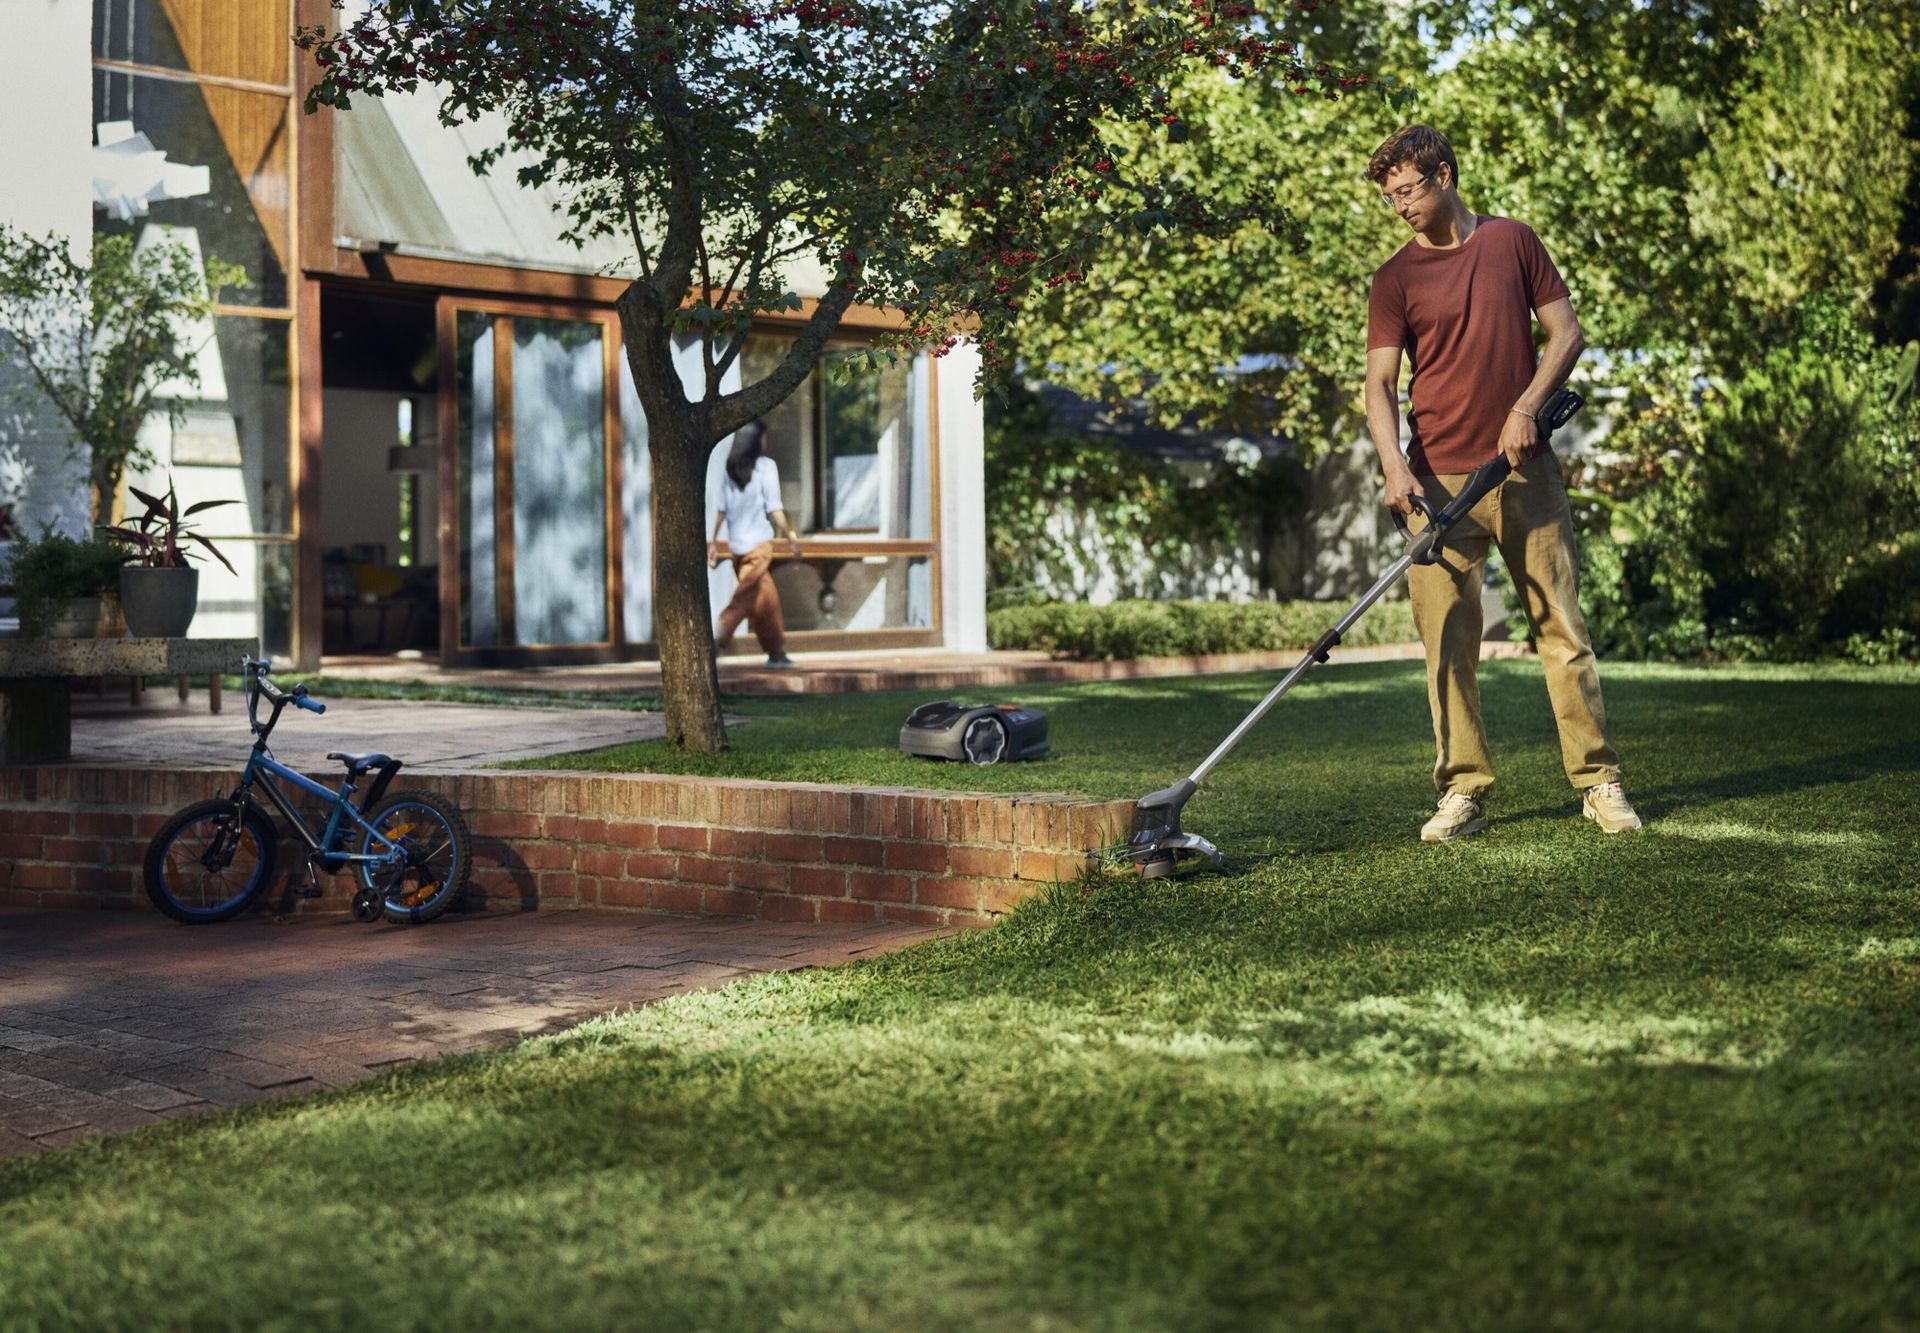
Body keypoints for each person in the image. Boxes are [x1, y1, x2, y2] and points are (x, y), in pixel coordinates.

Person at [1361, 124, 1640, 840]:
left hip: (1524, 471)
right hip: (1434, 486)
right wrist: (1394, 464)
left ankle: (1599, 782)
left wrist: (1525, 408)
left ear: (1445, 176)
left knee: (1560, 627)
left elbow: (1566, 333)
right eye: (1389, 196)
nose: (1400, 206)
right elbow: (1379, 384)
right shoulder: (1395, 278)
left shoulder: (1513, 241)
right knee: (1448, 642)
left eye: (1408, 190)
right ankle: (1463, 791)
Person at [709, 421, 801, 668]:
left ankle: (776, 652)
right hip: (759, 546)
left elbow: (721, 509)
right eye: (763, 437)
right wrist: (790, 535)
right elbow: (774, 508)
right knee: (745, 598)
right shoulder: (766, 467)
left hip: (738, 547)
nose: (765, 442)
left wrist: (714, 541)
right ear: (756, 440)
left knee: (766, 601)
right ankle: (717, 635)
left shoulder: (731, 470)